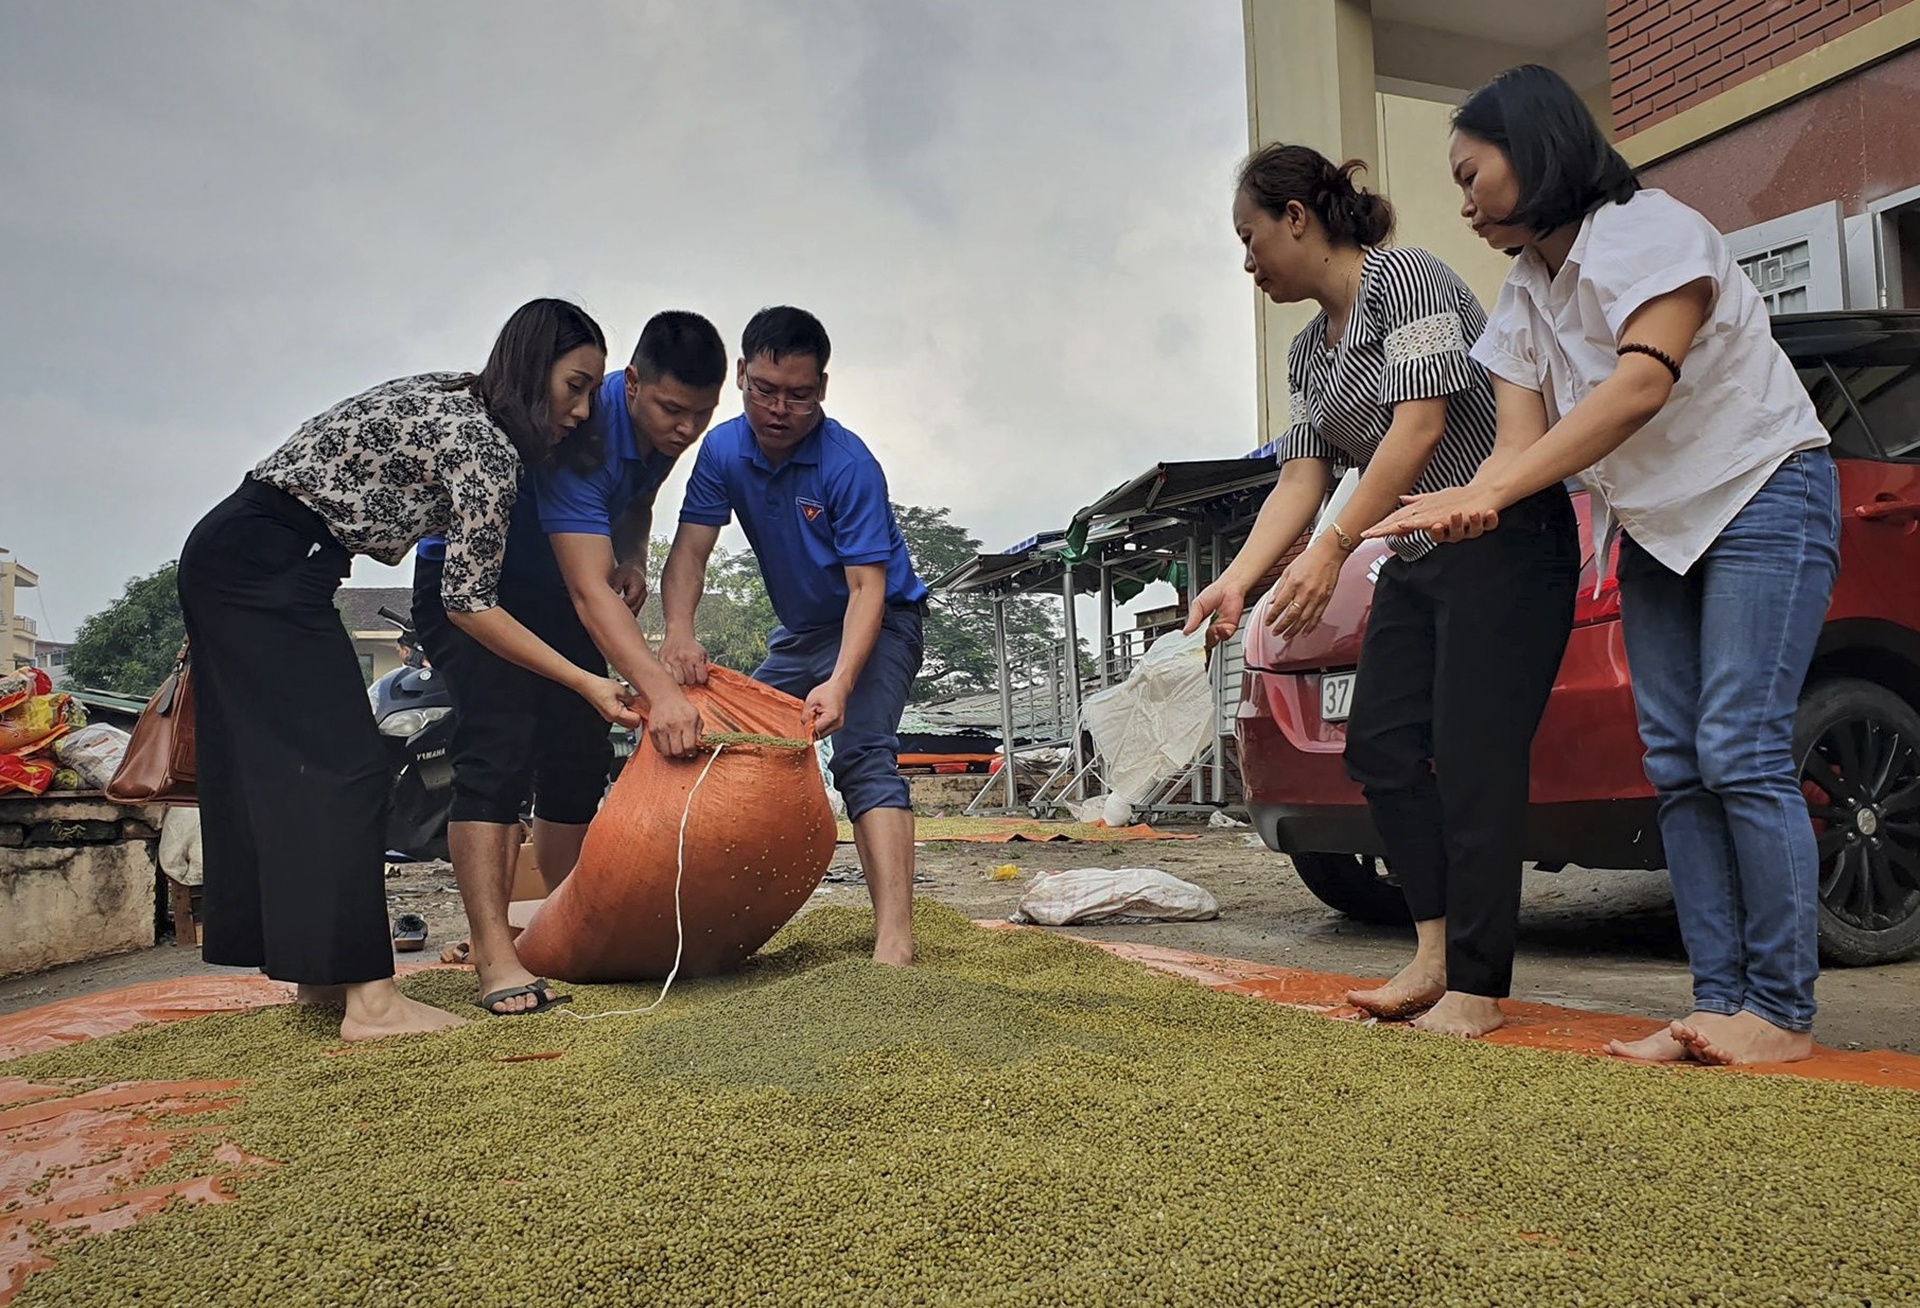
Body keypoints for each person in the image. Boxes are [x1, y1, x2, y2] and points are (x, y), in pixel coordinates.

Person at [1370, 65, 1839, 1066]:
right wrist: (1469, 499)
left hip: (1764, 491)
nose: (1462, 201)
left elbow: (1638, 386)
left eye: (1471, 173)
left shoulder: (1652, 231)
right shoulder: (1524, 293)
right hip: (1658, 530)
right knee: (1675, 762)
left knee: (1741, 747)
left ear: (1532, 149)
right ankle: (1716, 1006)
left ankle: (1782, 1015)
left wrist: (1489, 491)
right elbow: (1513, 441)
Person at [1185, 144, 1578, 1037]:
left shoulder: (1409, 281)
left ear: (1297, 218)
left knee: (1474, 758)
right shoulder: (1306, 355)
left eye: (1250, 238)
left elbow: (1419, 428)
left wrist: (1330, 553)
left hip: (1505, 539)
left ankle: (1479, 987)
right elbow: (1299, 479)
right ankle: (1435, 954)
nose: (1247, 263)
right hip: (1414, 551)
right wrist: (1237, 582)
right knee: (1382, 746)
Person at [177, 298, 642, 1042]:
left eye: (592, 392)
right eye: (573, 387)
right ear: (530, 372)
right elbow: (468, 606)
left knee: (290, 770)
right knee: (349, 770)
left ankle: (322, 979)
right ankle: (371, 1000)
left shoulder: (456, 394)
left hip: (245, 549)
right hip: (267, 564)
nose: (584, 410)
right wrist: (585, 680)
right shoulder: (486, 447)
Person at [412, 311, 725, 1015]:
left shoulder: (665, 430)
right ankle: (495, 955)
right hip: (474, 590)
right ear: (633, 383)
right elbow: (590, 595)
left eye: (700, 416)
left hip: (555, 588)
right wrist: (662, 694)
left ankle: (564, 923)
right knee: (499, 741)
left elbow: (636, 503)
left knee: (579, 751)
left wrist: (636, 553)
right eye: (672, 409)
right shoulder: (581, 435)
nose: (684, 429)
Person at [660, 306, 927, 966]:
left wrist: (839, 684)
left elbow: (868, 589)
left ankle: (894, 940)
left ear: (824, 389)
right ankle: (701, 925)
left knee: (863, 751)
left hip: (882, 619)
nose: (781, 409)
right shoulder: (722, 449)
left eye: (800, 395)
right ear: (743, 374)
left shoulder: (848, 466)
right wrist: (680, 634)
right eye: (766, 391)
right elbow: (690, 552)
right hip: (802, 631)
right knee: (725, 740)